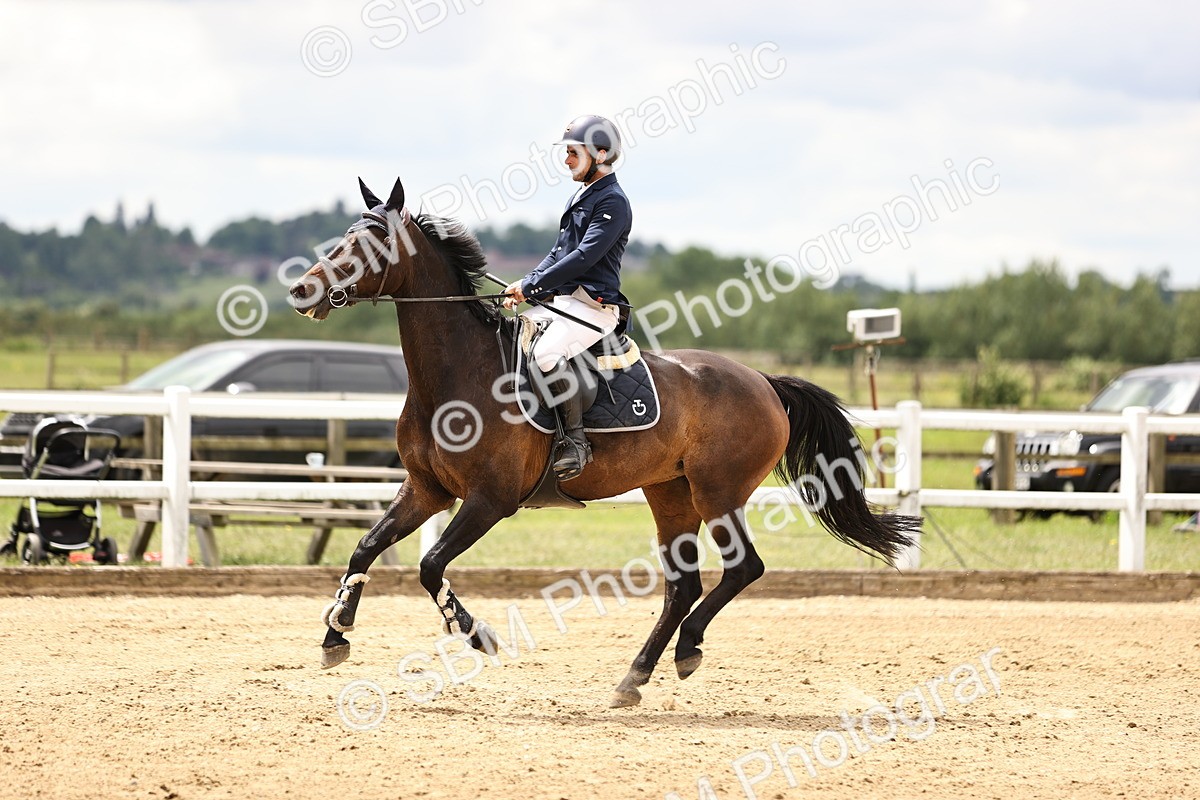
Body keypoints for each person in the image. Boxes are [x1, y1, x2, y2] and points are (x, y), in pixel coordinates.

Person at [503, 114, 633, 481]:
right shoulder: (584, 195)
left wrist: (533, 286)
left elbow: (583, 258)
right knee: (513, 339)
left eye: (573, 153)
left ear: (601, 154)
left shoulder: (613, 202)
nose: (567, 160)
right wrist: (526, 283)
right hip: (565, 305)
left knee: (546, 353)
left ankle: (576, 442)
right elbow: (559, 252)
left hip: (595, 309)